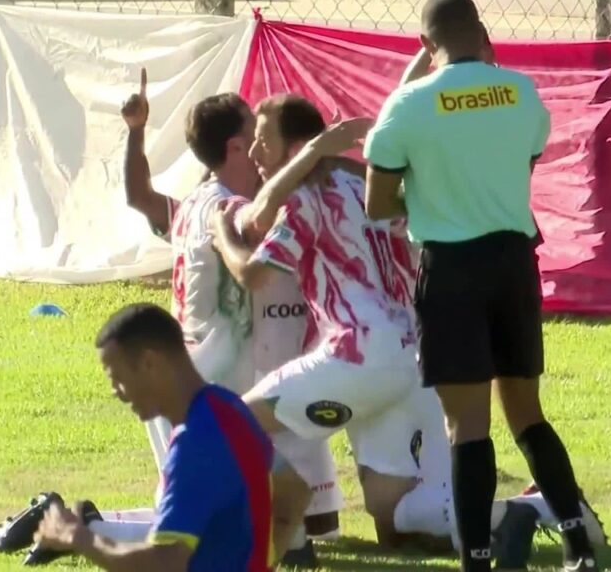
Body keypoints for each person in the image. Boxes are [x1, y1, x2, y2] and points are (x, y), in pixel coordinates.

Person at [362, 0, 601, 571]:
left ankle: (476, 560)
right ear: (483, 34)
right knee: (527, 413)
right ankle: (578, 545)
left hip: (451, 270)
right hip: (514, 263)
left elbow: (376, 205)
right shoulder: (520, 93)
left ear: (425, 44)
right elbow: (518, 169)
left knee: (466, 425)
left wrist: (425, 192)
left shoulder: (406, 106)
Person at [209, 93, 456, 559]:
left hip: (359, 355)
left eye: (264, 141)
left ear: (299, 146)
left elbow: (253, 274)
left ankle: (293, 540)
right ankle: (536, 510)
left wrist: (221, 236)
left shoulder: (303, 200)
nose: (257, 153)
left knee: (227, 423)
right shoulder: (365, 187)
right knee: (396, 520)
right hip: (412, 357)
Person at [115, 69, 351, 557]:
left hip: (197, 373)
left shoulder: (193, 204)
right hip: (219, 387)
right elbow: (259, 218)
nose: (265, 142)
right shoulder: (227, 208)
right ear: (239, 147)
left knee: (307, 518)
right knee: (231, 529)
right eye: (257, 133)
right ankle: (82, 524)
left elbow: (139, 197)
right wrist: (314, 156)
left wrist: (137, 132)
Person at [32, 303, 277, 571]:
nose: (116, 391)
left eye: (117, 377)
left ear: (149, 363)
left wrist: (76, 536)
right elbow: (293, 491)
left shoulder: (194, 444)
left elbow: (164, 563)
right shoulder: (230, 408)